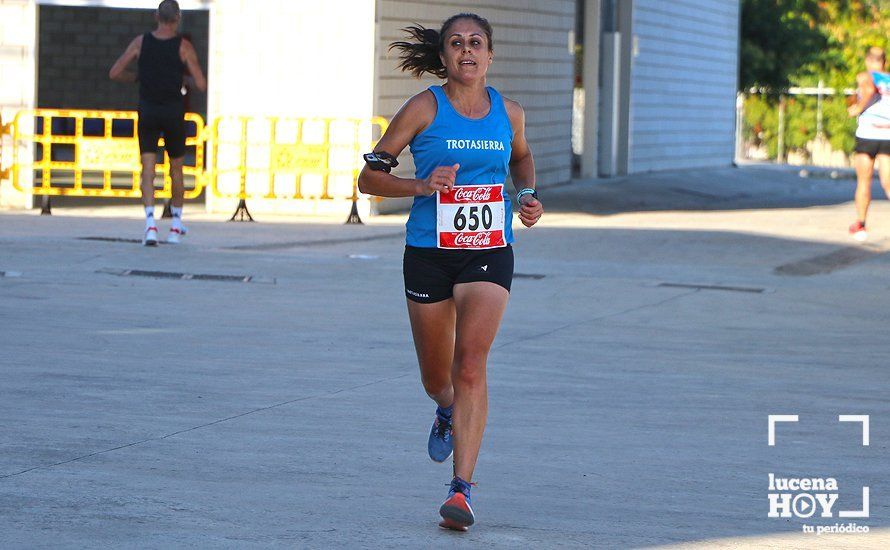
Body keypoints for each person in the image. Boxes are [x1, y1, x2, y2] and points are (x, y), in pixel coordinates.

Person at [357, 13, 543, 531]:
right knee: (438, 378)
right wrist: (421, 186)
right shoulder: (423, 107)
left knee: (471, 365)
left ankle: (461, 490)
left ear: (490, 55)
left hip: (488, 248)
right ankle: (443, 408)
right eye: (456, 44)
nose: (467, 51)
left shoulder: (510, 112)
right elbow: (369, 178)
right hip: (428, 253)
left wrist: (526, 197)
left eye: (476, 43)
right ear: (443, 56)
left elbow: (522, 161)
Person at [109, 0, 206, 246]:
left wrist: (139, 78)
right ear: (178, 18)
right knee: (176, 170)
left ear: (156, 16)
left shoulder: (140, 42)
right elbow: (201, 84)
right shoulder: (183, 47)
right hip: (173, 112)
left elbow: (115, 72)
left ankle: (150, 225)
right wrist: (182, 79)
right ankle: (175, 226)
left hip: (148, 111)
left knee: (148, 170)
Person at [847, 46, 890, 242]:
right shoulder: (888, 79)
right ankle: (861, 223)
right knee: (887, 182)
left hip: (867, 133)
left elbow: (869, 89)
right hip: (887, 133)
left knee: (864, 181)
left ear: (867, 60)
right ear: (885, 62)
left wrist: (857, 108)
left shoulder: (865, 76)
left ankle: (861, 224)